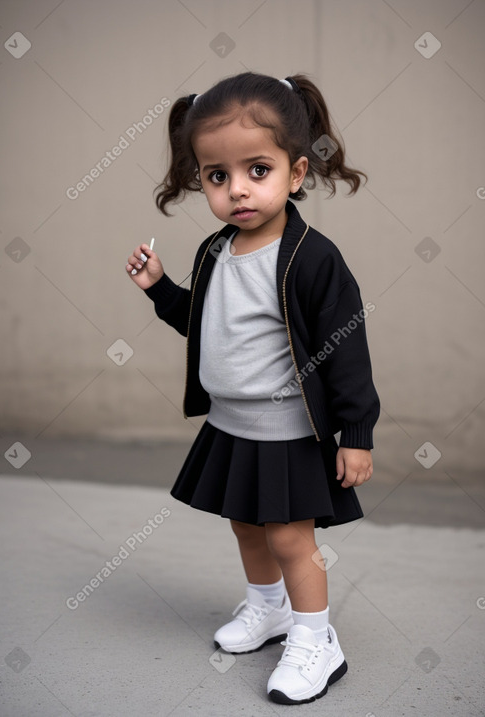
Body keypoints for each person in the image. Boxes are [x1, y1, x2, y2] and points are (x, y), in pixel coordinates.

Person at [126, 72, 380, 706]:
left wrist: (358, 434)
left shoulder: (312, 259)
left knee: (292, 538)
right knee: (244, 524)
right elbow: (208, 326)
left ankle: (317, 641)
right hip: (232, 424)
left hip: (291, 429)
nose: (236, 188)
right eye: (217, 176)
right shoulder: (217, 251)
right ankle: (268, 610)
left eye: (257, 170)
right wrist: (161, 287)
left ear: (296, 174)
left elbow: (347, 349)